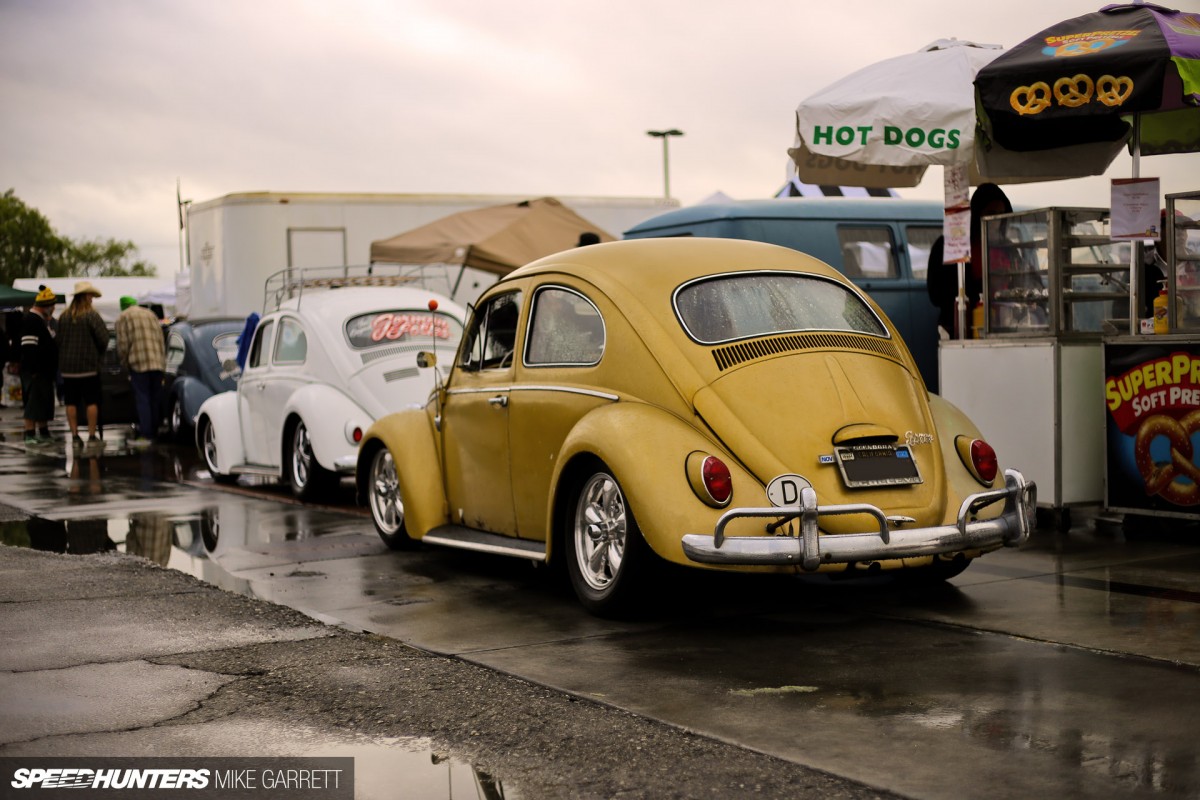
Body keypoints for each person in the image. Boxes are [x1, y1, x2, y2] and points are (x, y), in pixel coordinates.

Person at [926, 182, 1013, 338]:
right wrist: (983, 286)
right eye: (991, 213)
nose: (997, 219)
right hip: (961, 327)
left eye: (1002, 214)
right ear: (977, 214)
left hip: (1003, 324)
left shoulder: (1008, 248)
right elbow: (937, 293)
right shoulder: (951, 246)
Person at [56, 281, 109, 449]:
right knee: (91, 402)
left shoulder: (63, 317)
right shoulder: (91, 315)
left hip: (68, 368)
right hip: (88, 367)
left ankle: (74, 435)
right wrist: (98, 354)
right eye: (90, 295)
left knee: (71, 402)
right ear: (85, 297)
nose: (92, 299)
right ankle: (92, 436)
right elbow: (104, 339)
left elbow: (58, 341)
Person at [115, 295, 165, 446]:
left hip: (139, 364)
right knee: (155, 399)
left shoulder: (123, 317)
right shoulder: (151, 314)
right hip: (157, 363)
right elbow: (161, 339)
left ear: (123, 306)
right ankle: (155, 433)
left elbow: (123, 344)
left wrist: (125, 363)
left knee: (143, 399)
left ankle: (146, 435)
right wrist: (162, 362)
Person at [19, 286, 59, 444]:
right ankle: (29, 433)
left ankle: (43, 431)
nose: (54, 309)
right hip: (35, 371)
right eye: (52, 306)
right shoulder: (32, 321)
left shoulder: (41, 321)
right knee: (33, 403)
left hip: (43, 371)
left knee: (43, 402)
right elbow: (28, 347)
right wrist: (33, 370)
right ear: (46, 306)